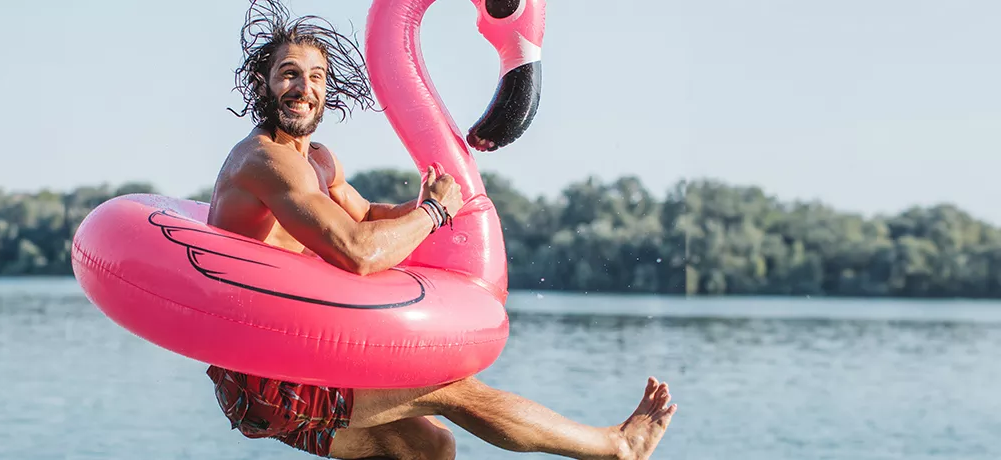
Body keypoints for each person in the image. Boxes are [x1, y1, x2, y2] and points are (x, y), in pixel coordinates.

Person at [202, 1, 678, 459]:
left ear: (328, 91)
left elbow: (366, 215)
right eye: (288, 73)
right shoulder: (266, 162)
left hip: (302, 357)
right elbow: (357, 251)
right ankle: (617, 448)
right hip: (262, 377)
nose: (302, 87)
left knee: (429, 448)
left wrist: (424, 205)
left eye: (316, 77)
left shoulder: (320, 160)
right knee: (453, 390)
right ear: (264, 83)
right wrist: (431, 213)